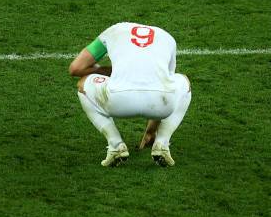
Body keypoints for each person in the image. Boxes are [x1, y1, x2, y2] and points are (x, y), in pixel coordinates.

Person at [68, 22, 191, 167]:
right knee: (183, 82)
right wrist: (151, 131)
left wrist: (108, 71)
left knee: (83, 84)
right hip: (161, 103)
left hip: (118, 101)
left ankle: (115, 145)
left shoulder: (113, 31)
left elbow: (75, 68)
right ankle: (162, 143)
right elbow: (164, 85)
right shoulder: (167, 38)